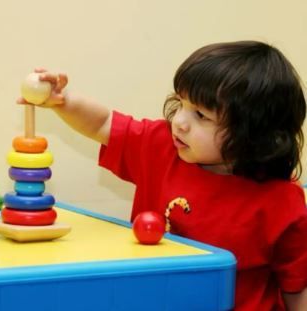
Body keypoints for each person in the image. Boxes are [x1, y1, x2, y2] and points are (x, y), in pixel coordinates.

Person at [19, 41, 307, 310]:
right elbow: (104, 123)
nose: (179, 122)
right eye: (180, 103)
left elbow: (296, 286)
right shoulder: (160, 147)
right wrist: (63, 100)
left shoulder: (281, 200)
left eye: (201, 116)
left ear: (253, 135)